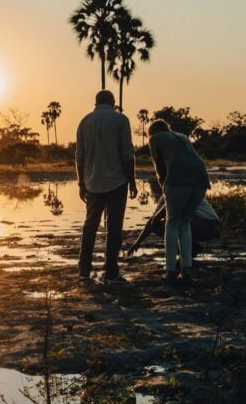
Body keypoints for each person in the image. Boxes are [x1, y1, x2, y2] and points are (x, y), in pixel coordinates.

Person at [76, 90, 137, 282]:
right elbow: (127, 154)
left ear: (96, 102)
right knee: (114, 226)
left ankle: (84, 268)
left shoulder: (85, 121)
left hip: (92, 182)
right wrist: (132, 180)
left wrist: (81, 183)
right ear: (113, 102)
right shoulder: (121, 120)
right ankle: (111, 269)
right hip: (117, 181)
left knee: (90, 225)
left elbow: (79, 157)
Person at [148, 119, 210, 286]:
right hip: (201, 182)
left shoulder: (155, 139)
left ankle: (170, 271)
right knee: (185, 223)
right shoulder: (182, 137)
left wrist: (165, 187)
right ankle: (187, 270)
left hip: (177, 182)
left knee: (172, 223)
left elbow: (159, 167)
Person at [127, 194, 220, 261]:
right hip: (204, 226)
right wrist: (137, 242)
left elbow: (155, 219)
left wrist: (138, 242)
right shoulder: (166, 195)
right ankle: (192, 248)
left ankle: (187, 255)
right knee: (160, 224)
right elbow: (153, 221)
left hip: (208, 226)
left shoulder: (176, 192)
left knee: (172, 222)